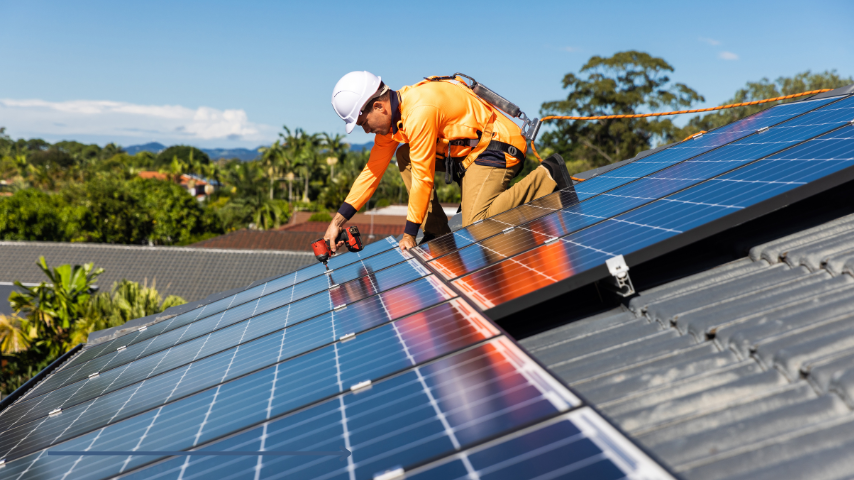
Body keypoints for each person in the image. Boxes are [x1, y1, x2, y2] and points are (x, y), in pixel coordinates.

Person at [324, 71, 572, 252]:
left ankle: (548, 175)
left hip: (497, 147)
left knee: (477, 222)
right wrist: (337, 222)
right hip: (469, 156)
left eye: (364, 123)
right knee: (404, 155)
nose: (366, 131)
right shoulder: (394, 123)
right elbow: (372, 172)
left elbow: (423, 176)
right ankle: (437, 233)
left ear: (379, 107)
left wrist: (410, 234)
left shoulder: (420, 110)